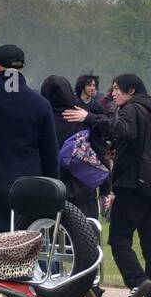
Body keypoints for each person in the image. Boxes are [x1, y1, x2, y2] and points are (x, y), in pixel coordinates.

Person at [62, 73, 151, 297]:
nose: (114, 93)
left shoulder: (131, 109)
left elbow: (122, 129)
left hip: (132, 186)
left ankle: (138, 281)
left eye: (118, 89)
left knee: (119, 239)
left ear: (131, 91)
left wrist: (89, 118)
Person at [0, 44, 58, 237]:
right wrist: (53, 190)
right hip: (27, 188)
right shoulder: (41, 103)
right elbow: (50, 152)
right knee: (23, 249)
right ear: (21, 68)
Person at [41, 74, 107, 221]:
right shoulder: (82, 115)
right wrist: (105, 187)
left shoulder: (43, 117)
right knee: (86, 229)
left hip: (51, 182)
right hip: (82, 184)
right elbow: (99, 150)